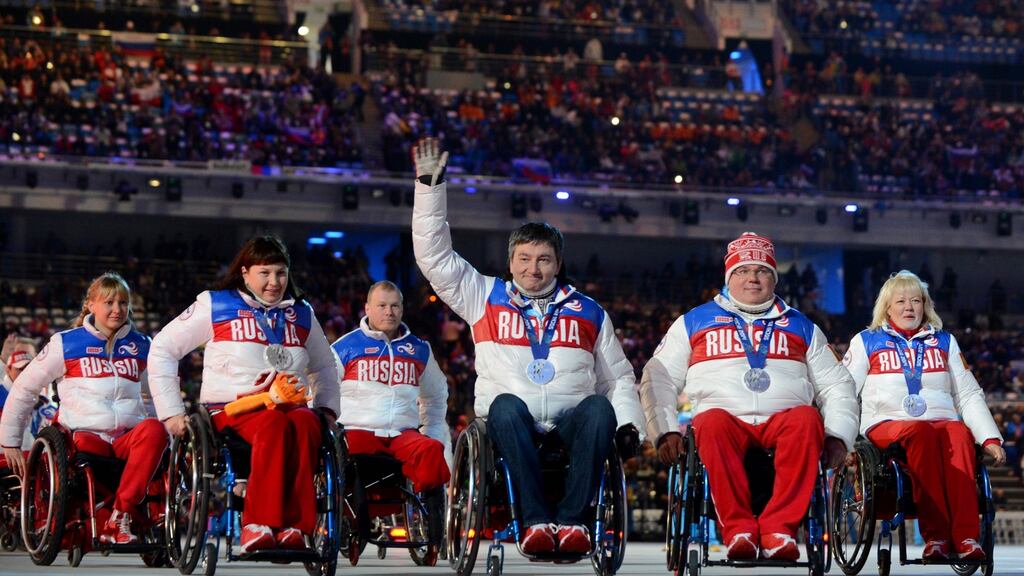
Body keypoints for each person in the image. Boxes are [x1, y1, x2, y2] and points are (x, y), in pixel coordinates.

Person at [411, 137, 644, 555]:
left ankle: (573, 524)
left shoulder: (589, 311)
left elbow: (618, 377)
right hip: (510, 425)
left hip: (571, 426)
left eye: (543, 259)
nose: (532, 268)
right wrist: (430, 188)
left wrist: (630, 425)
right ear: (510, 261)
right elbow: (435, 259)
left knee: (598, 407)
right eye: (524, 258)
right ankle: (535, 522)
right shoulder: (482, 295)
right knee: (504, 405)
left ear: (558, 264)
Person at [639, 232, 858, 561]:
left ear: (774, 278)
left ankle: (779, 530)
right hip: (725, 422)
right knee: (708, 421)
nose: (753, 278)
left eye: (762, 271)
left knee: (807, 417)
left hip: (783, 422)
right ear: (729, 277)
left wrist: (839, 435)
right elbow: (658, 377)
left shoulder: (802, 326)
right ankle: (739, 529)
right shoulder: (694, 321)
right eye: (743, 271)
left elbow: (837, 385)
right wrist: (665, 430)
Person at [148, 235, 340, 554]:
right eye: (265, 273)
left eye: (281, 273)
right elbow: (163, 349)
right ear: (246, 272)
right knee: (273, 425)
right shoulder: (217, 304)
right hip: (233, 409)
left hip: (290, 405)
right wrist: (171, 411)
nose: (274, 282)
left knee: (309, 424)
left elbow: (324, 366)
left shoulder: (301, 312)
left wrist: (327, 408)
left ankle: (296, 526)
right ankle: (258, 524)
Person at [843, 270, 1005, 561]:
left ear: (925, 305)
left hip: (941, 424)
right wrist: (840, 438)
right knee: (921, 432)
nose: (909, 307)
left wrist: (989, 437)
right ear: (887, 307)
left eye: (916, 300)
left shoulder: (945, 341)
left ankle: (967, 537)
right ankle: (937, 537)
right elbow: (844, 391)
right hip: (886, 424)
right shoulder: (866, 341)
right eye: (901, 301)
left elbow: (967, 394)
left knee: (959, 433)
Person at [0, 272, 167, 545]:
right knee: (87, 443)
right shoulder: (66, 343)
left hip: (127, 437)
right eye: (109, 302)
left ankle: (120, 517)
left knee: (155, 431)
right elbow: (24, 388)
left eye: (123, 303)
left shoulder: (142, 345)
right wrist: (10, 441)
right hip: (85, 435)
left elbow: (156, 395)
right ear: (91, 304)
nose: (117, 309)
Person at [331, 280, 452, 493]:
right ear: (367, 308)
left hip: (402, 434)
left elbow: (436, 395)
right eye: (382, 306)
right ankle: (354, 519)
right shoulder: (344, 347)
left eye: (395, 306)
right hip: (357, 430)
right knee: (349, 460)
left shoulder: (419, 349)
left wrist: (430, 430)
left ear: (402, 309)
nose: (389, 312)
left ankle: (425, 517)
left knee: (432, 449)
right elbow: (323, 390)